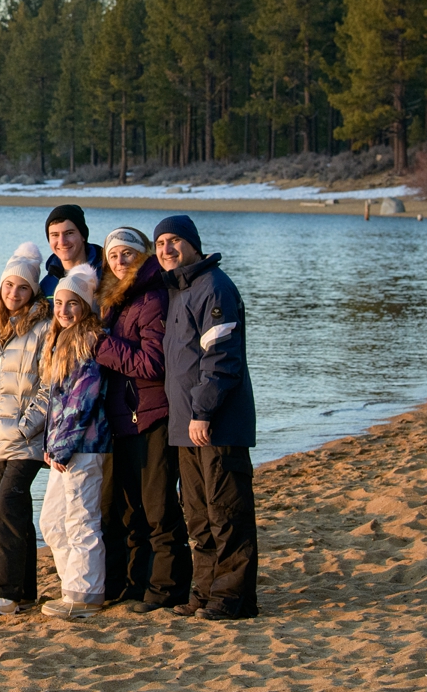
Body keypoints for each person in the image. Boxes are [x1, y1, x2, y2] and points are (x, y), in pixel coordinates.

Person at [153, 214, 259, 622]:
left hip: (216, 424)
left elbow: (222, 359)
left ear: (194, 244)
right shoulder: (181, 290)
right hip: (187, 427)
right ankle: (204, 593)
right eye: (161, 243)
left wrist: (203, 412)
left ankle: (233, 599)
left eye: (175, 241)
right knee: (198, 514)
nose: (167, 249)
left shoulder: (214, 287)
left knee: (226, 512)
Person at [96, 226, 191, 612]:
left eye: (128, 254)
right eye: (113, 255)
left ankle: (167, 590)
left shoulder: (151, 298)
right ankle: (137, 586)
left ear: (144, 255)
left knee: (159, 508)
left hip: (152, 415)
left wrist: (101, 345)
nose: (120, 261)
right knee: (131, 510)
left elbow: (153, 363)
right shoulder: (116, 300)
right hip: (124, 418)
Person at [0, 242, 53, 616]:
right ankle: (25, 592)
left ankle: (2, 592)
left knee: (5, 509)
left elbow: (52, 383)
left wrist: (28, 426)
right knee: (15, 511)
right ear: (0, 288)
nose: (14, 293)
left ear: (33, 291)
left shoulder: (45, 329)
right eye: (8, 286)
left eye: (22, 287)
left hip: (26, 438)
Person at [35, 263, 112, 620]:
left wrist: (62, 447)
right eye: (59, 303)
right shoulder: (58, 341)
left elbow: (81, 402)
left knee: (82, 520)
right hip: (61, 450)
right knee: (52, 522)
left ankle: (86, 596)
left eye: (73, 304)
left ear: (85, 307)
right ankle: (74, 586)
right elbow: (55, 403)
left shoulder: (88, 342)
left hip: (85, 447)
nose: (64, 311)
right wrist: (51, 447)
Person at [39, 203, 104, 298]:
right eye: (55, 235)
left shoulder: (107, 275)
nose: (62, 242)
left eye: (69, 233)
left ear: (83, 236)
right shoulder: (46, 286)